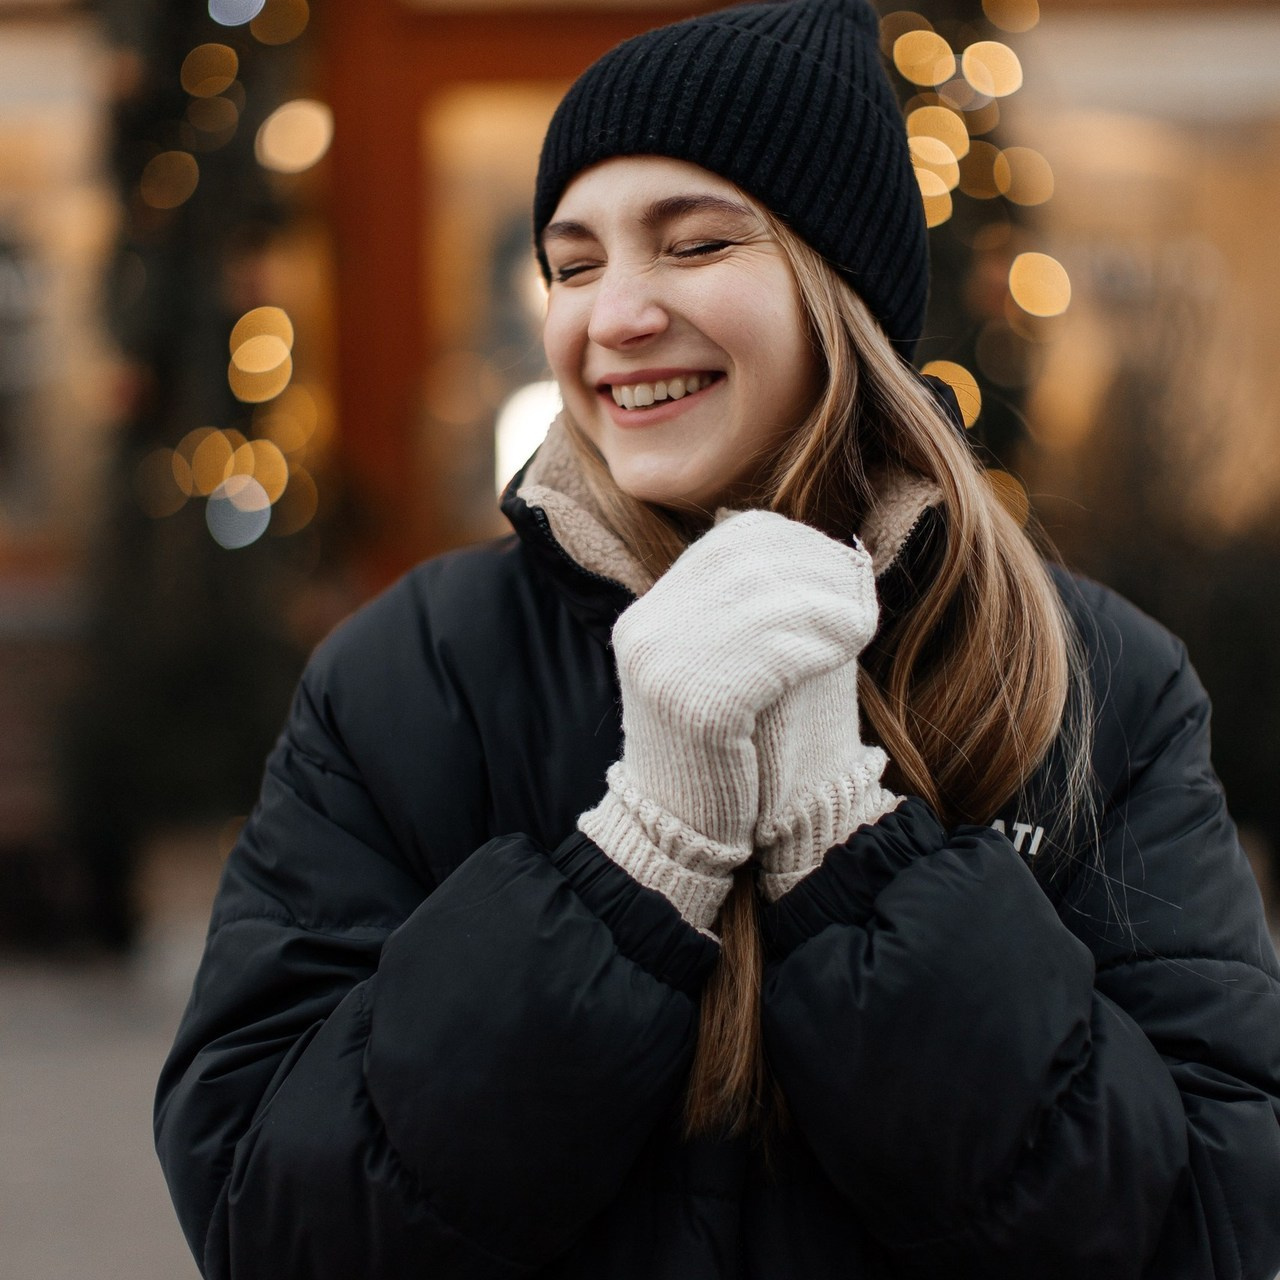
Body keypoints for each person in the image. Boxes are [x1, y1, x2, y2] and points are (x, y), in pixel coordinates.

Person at [154, 0, 1280, 1275]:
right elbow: (270, 1219)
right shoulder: (410, 674)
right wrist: (641, 857)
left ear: (838, 291)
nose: (615, 316)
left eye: (693, 245)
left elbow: (1211, 1218)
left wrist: (849, 849)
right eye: (573, 264)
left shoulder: (1091, 681)